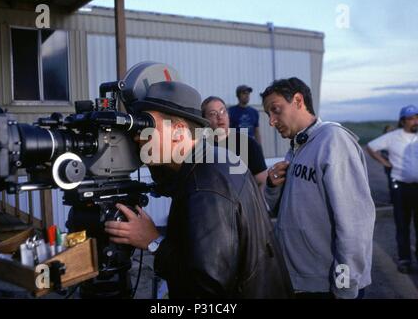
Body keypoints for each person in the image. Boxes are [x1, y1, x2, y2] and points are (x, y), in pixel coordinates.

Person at [105, 81, 293, 298]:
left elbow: (206, 285)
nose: (138, 136)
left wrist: (153, 241)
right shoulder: (213, 158)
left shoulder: (205, 185)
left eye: (147, 125)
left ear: (178, 131)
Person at [262, 77, 376, 299]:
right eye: (268, 115)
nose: (271, 121)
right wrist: (272, 186)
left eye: (275, 110)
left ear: (298, 100)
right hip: (298, 280)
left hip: (327, 286)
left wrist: (344, 285)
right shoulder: (297, 146)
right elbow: (278, 211)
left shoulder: (333, 141)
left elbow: (354, 224)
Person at [367, 105, 418, 274]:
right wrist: (385, 163)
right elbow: (371, 147)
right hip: (400, 187)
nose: (415, 121)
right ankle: (405, 259)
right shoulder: (392, 137)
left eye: (417, 118)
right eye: (411, 118)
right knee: (402, 224)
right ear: (403, 121)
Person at [201, 96, 268, 194]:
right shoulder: (200, 147)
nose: (220, 117)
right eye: (213, 114)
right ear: (204, 120)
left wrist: (255, 207)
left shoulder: (249, 144)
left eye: (223, 111)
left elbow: (262, 181)